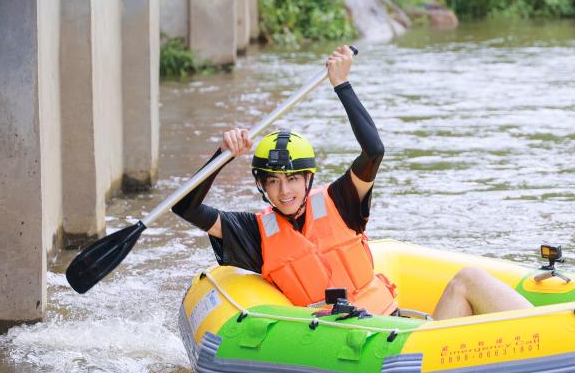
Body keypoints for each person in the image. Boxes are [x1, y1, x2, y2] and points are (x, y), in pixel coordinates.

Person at [172, 45, 533, 320]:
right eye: (274, 182)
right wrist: (222, 155)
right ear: (262, 186)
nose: (285, 192)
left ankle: (552, 337)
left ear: (308, 178)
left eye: (293, 179)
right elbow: (185, 206)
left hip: (396, 338)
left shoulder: (341, 201)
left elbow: (373, 150)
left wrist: (342, 84)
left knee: (468, 280)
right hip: (334, 347)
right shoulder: (251, 232)